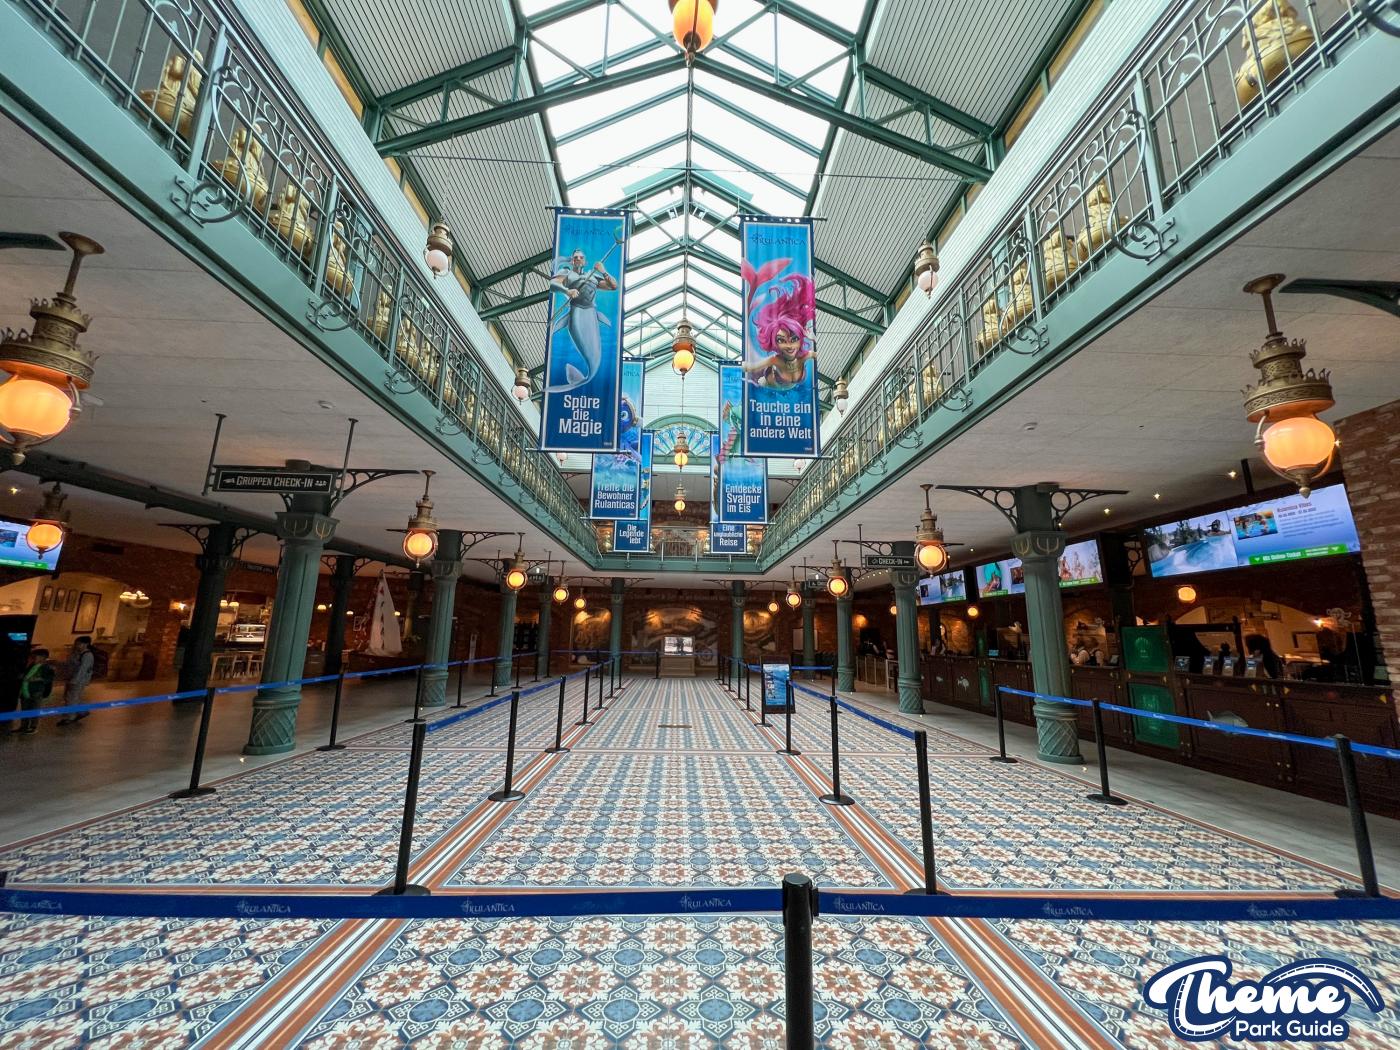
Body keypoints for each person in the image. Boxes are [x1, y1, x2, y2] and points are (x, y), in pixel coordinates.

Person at [13, 647, 54, 734]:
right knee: (25, 709)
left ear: (43, 657)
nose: (33, 658)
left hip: (36, 691)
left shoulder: (46, 667)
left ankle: (33, 727)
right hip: (26, 690)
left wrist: (39, 679)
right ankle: (24, 726)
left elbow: (49, 678)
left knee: (34, 709)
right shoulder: (31, 666)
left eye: (35, 657)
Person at [56, 636, 95, 726]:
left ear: (86, 644)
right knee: (71, 696)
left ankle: (70, 717)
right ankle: (82, 711)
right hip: (71, 678)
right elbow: (69, 664)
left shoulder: (87, 655)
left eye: (79, 644)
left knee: (72, 697)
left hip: (78, 680)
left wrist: (75, 680)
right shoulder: (76, 653)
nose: (77, 645)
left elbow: (83, 669)